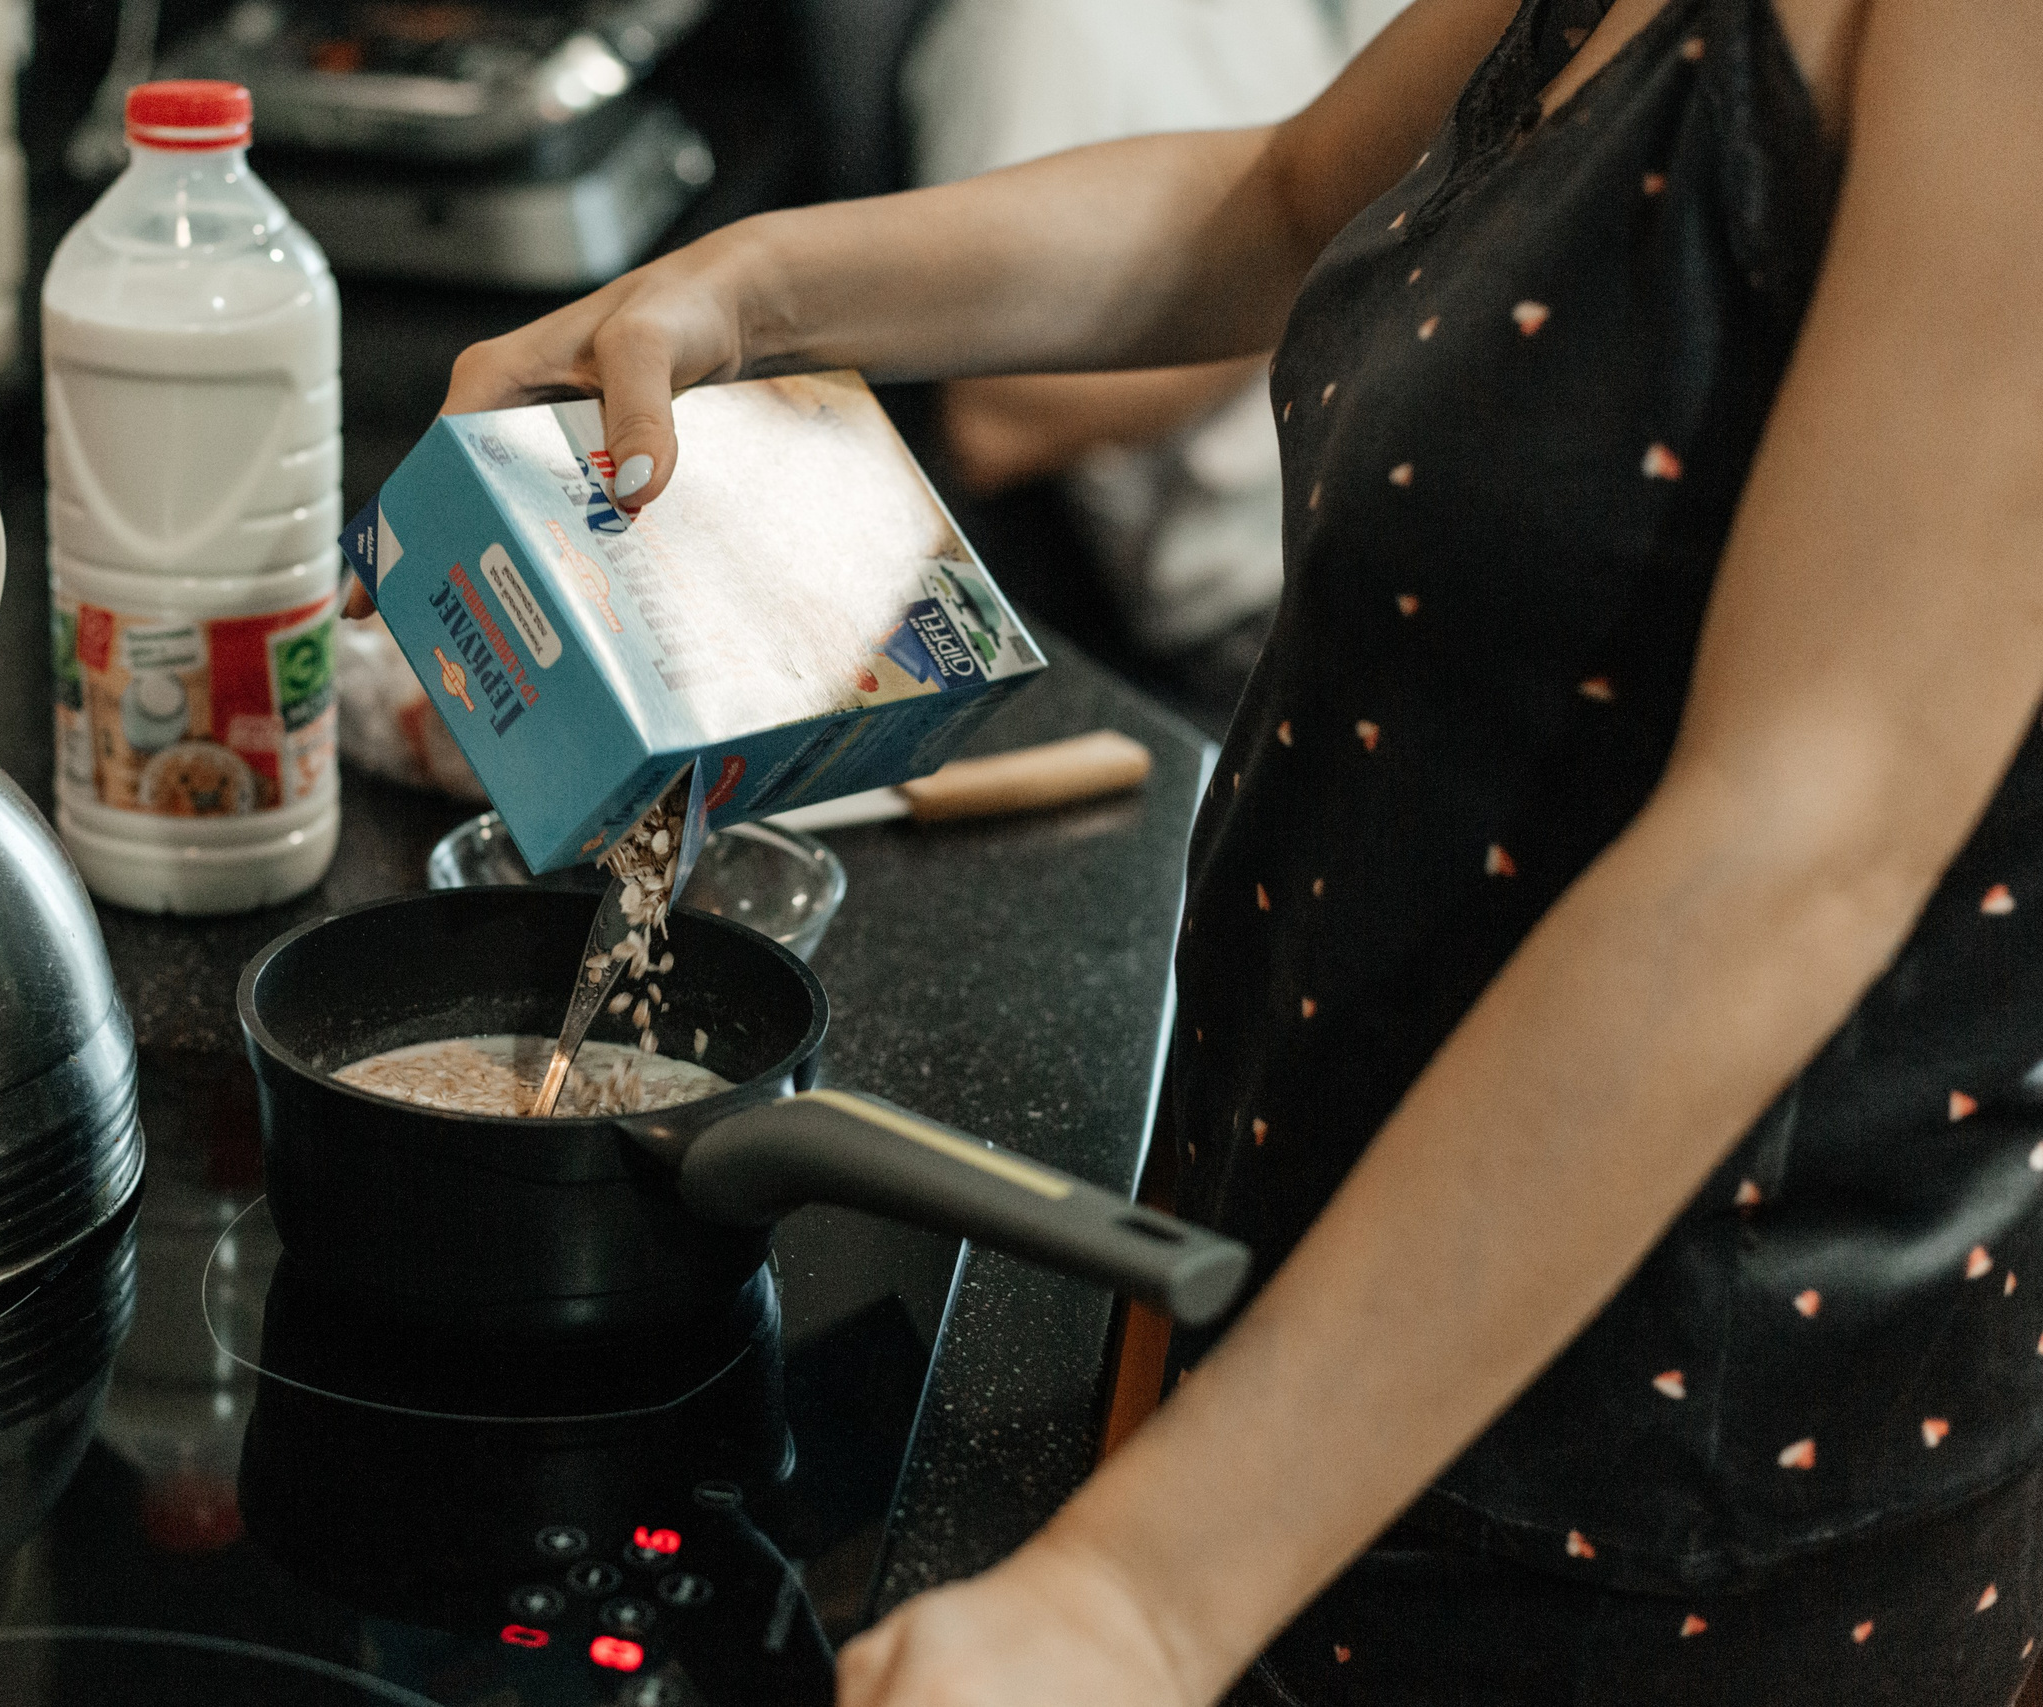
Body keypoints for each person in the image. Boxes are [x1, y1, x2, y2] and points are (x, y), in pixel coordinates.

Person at [348, 0, 2043, 1699]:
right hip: (1323, 1333)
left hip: (1659, 1485)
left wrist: (1142, 1595)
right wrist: (741, 293)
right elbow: (1282, 202)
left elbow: (1807, 828)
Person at [904, 0, 1407, 709]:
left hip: (1392, 484)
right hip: (1275, 575)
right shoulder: (1040, 33)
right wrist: (1304, 278)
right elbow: (993, 419)